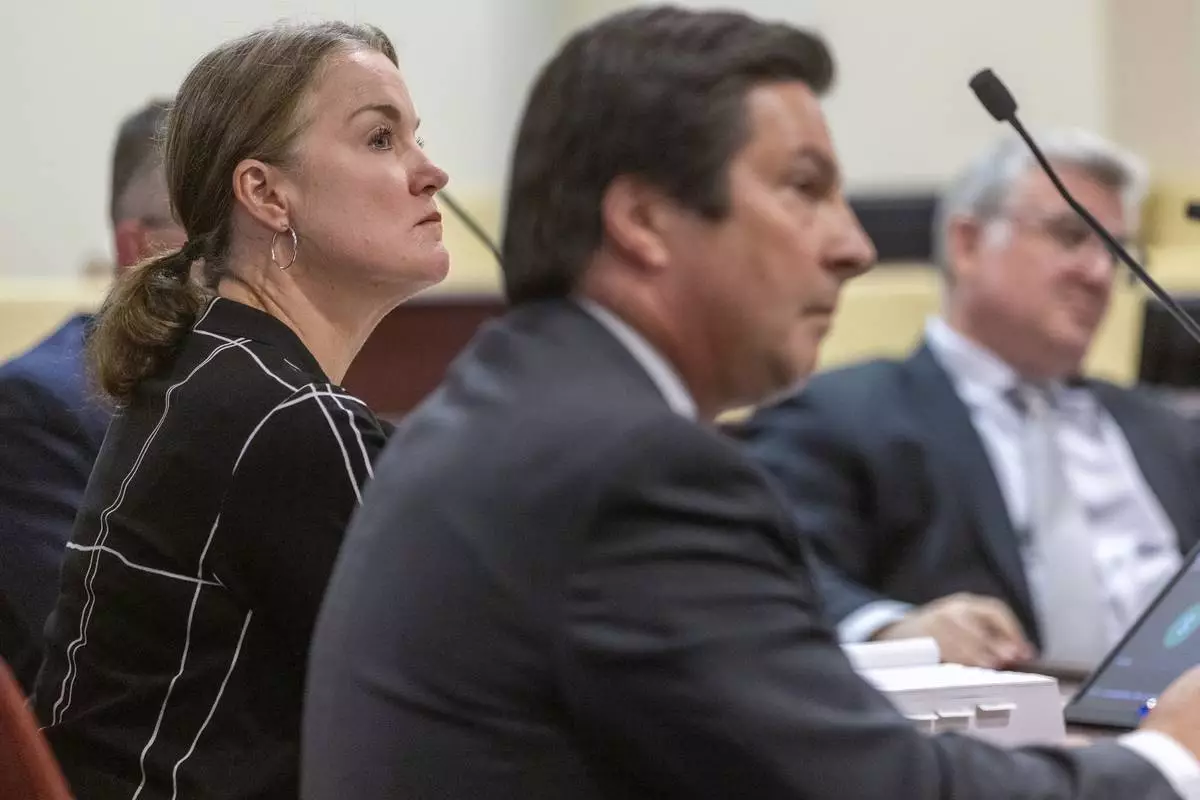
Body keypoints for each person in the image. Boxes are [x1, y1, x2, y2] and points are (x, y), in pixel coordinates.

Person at [302, 7, 1200, 800]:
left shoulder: (515, 407)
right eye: (803, 189)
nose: (851, 248)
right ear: (645, 221)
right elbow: (875, 789)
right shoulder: (629, 469)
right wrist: (1168, 760)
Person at [32, 20, 448, 800]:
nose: (433, 173)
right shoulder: (283, 416)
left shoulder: (210, 372)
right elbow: (453, 704)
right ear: (265, 193)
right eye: (381, 140)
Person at [739, 130, 1200, 670]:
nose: (1100, 273)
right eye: (1072, 236)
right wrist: (890, 628)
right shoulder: (838, 416)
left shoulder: (1169, 430)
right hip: (994, 740)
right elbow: (768, 572)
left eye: (1118, 251)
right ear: (968, 244)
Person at [0, 99, 185, 692]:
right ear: (140, 249)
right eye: (215, 227)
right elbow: (96, 646)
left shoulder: (270, 391)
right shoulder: (33, 406)